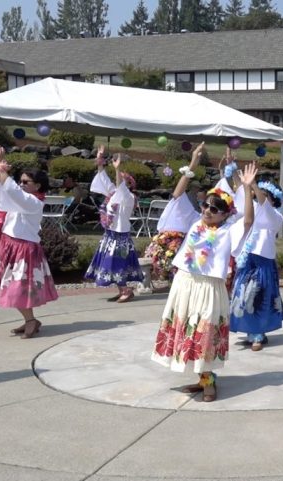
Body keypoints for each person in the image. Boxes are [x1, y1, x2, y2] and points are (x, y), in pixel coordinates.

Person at [151, 162, 257, 402]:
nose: (208, 210)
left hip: (210, 287)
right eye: (206, 204)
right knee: (186, 330)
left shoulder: (228, 230)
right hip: (185, 282)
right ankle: (202, 379)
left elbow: (248, 221)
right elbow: (177, 197)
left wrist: (247, 189)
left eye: (215, 208)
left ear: (226, 214)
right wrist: (191, 166)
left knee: (205, 333)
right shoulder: (194, 223)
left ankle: (208, 380)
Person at [0, 145, 59, 339]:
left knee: (17, 289)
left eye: (26, 181)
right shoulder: (21, 199)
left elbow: (11, 190)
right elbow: (3, 190)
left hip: (23, 250)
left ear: (38, 186)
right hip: (10, 246)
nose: (22, 183)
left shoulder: (33, 202)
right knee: (12, 288)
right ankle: (31, 320)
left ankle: (31, 321)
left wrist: (1, 169)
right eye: (21, 181)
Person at [229, 176, 283, 351]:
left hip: (263, 263)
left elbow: (264, 205)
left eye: (264, 194)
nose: (258, 196)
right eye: (257, 194)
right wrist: (239, 178)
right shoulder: (251, 211)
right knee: (243, 295)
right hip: (247, 261)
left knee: (260, 297)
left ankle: (258, 333)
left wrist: (254, 185)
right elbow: (241, 195)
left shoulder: (275, 217)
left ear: (273, 199)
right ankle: (250, 330)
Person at [84, 146, 144, 303]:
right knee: (111, 263)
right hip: (111, 234)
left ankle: (126, 290)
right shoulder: (113, 195)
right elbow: (102, 179)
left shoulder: (128, 198)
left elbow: (120, 188)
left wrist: (118, 171)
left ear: (128, 185)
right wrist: (100, 160)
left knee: (116, 263)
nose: (118, 182)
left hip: (120, 236)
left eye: (123, 180)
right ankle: (122, 290)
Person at [146, 143, 205, 281]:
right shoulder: (181, 205)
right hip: (165, 243)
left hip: (180, 250)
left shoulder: (199, 217)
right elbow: (179, 191)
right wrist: (193, 164)